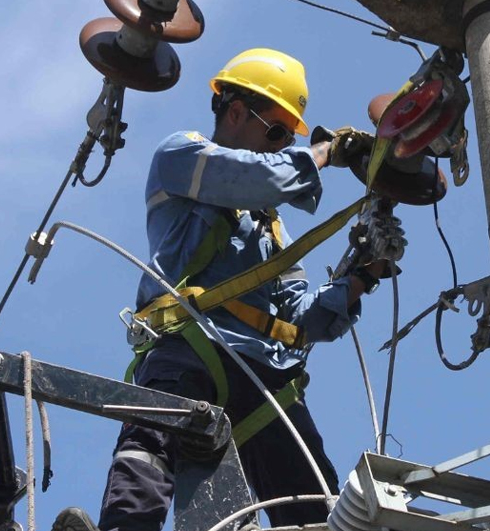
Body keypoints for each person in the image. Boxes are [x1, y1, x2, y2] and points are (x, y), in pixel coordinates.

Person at [52, 48, 391, 531]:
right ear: (235, 112)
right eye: (275, 131)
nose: (279, 147)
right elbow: (259, 178)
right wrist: (325, 152)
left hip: (259, 369)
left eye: (285, 139)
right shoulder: (182, 156)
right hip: (189, 345)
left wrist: (363, 276)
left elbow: (302, 318)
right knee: (149, 452)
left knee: (313, 499)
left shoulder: (270, 231)